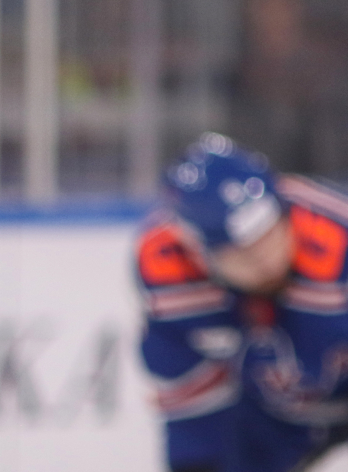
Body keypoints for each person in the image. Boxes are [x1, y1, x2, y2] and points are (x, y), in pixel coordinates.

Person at [137, 132, 348, 472]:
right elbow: (193, 409)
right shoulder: (167, 269)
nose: (267, 259)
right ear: (200, 255)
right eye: (243, 253)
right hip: (273, 418)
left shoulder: (339, 236)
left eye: (271, 233)